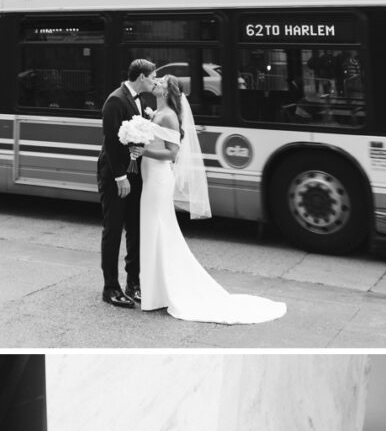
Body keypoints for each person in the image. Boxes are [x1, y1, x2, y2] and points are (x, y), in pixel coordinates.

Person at [126, 74, 287, 324]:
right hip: (150, 177)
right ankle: (156, 290)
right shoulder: (157, 113)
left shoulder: (167, 115)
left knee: (157, 228)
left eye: (160, 83)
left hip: (158, 180)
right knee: (153, 231)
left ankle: (161, 291)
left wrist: (143, 150)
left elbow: (171, 154)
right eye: (155, 81)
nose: (155, 83)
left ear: (168, 92)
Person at [98, 57, 157, 308]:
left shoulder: (140, 100)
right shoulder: (115, 100)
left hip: (135, 173)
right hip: (116, 175)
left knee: (135, 228)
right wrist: (120, 176)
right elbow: (111, 142)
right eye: (152, 77)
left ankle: (134, 282)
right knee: (113, 230)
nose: (154, 81)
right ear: (142, 77)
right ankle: (110, 287)